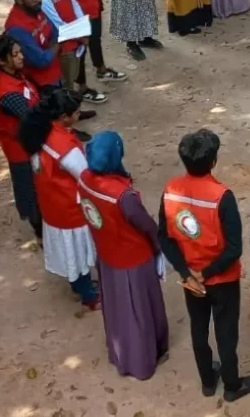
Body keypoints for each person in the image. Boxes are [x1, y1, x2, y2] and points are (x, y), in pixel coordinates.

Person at [158, 129, 250, 402]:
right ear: (213, 161)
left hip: (191, 280)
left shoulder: (170, 191)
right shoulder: (222, 196)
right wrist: (205, 273)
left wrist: (187, 273)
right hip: (221, 278)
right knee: (226, 332)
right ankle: (231, 385)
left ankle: (207, 380)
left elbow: (164, 238)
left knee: (198, 327)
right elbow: (234, 248)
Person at [78, 131, 169, 380]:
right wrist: (159, 245)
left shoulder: (84, 179)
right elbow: (145, 224)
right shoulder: (123, 196)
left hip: (107, 252)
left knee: (117, 306)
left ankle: (120, 353)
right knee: (139, 310)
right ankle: (142, 360)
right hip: (133, 258)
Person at [18, 89, 99, 310]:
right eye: (76, 113)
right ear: (64, 117)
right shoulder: (64, 147)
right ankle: (88, 296)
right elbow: (85, 176)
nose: (79, 115)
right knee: (78, 253)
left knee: (69, 251)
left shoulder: (40, 132)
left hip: (52, 205)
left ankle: (79, 286)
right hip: (70, 208)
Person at [31, 0, 108, 106]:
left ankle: (75, 103)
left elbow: (73, 2)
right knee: (66, 81)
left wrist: (83, 26)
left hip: (75, 35)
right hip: (63, 43)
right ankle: (68, 112)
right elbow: (57, 23)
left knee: (73, 72)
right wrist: (80, 36)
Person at [0, 34, 42, 241]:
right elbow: (32, 118)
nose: (21, 57)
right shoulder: (7, 92)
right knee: (28, 188)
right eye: (15, 54)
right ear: (2, 61)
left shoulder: (13, 75)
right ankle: (39, 230)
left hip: (26, 142)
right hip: (20, 148)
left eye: (20, 52)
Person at [3, 0, 63, 94]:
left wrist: (51, 47)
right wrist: (57, 43)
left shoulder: (35, 9)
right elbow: (41, 60)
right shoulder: (16, 28)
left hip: (55, 71)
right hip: (40, 84)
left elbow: (55, 32)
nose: (38, 0)